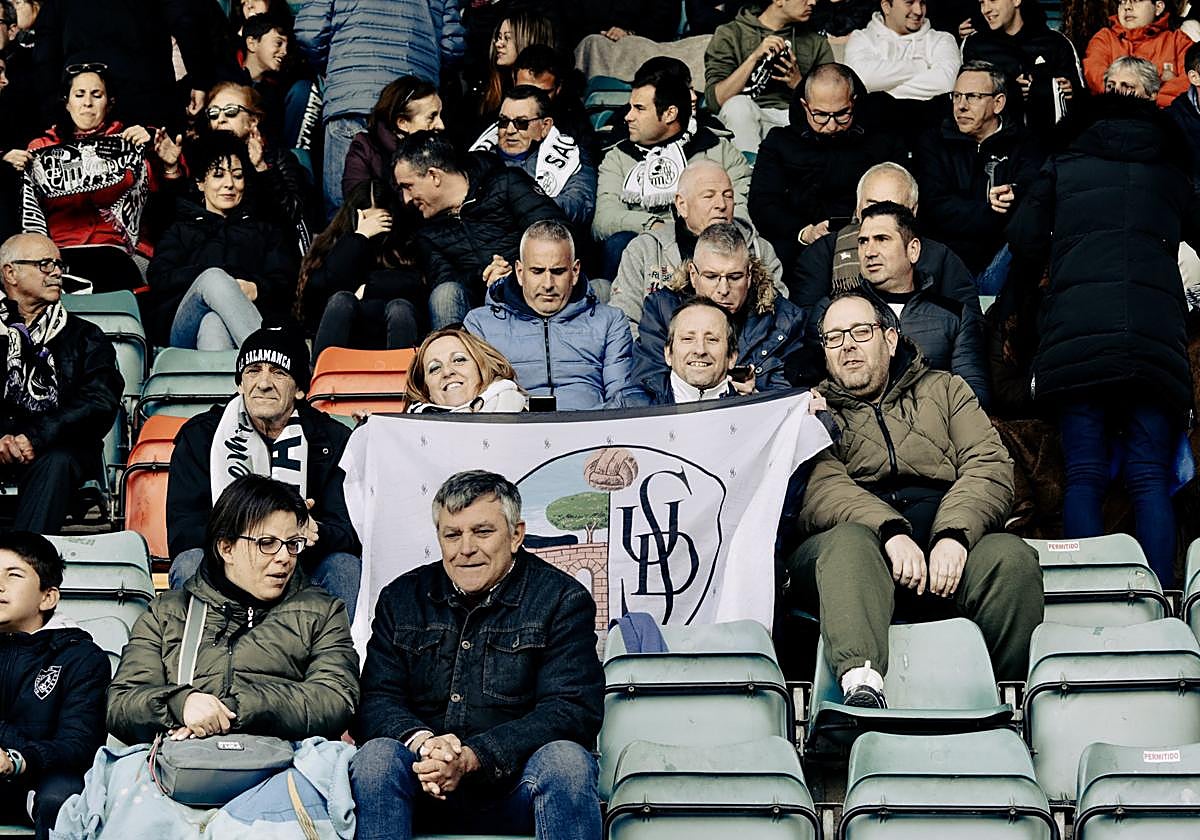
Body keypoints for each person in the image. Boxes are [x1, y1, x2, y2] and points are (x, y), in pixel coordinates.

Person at [785, 291, 1043, 706]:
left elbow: (989, 466)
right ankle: (861, 688)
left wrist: (954, 535)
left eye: (860, 332)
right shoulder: (810, 408)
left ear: (890, 339)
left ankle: (1005, 699)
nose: (847, 345)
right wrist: (889, 530)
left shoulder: (946, 390)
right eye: (833, 337)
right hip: (854, 552)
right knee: (849, 543)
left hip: (943, 541)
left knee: (1010, 559)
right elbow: (822, 489)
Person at [1007, 83, 1196, 588]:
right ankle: (1161, 597)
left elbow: (1023, 238)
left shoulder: (1065, 166)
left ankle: (1090, 592)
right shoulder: (1171, 173)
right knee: (1150, 475)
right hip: (1156, 337)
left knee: (1085, 473)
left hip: (1077, 333)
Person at [350, 470, 603, 840]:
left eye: (482, 532)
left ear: (516, 535)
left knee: (567, 762)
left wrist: (473, 756)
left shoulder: (562, 599)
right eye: (452, 535)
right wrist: (424, 744)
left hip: (515, 791)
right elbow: (375, 699)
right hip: (422, 785)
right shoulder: (402, 597)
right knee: (375, 760)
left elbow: (571, 709)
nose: (465, 548)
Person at [109, 474, 358, 744]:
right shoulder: (167, 613)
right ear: (226, 548)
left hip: (283, 770)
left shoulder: (322, 611)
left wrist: (237, 709)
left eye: (292, 544)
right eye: (267, 543)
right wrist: (181, 705)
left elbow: (336, 699)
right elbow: (121, 705)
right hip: (183, 771)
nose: (285, 557)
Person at [166, 325, 363, 617]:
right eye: (253, 370)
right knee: (189, 563)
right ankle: (200, 659)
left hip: (299, 561)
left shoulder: (332, 440)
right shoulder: (201, 436)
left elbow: (350, 530)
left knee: (344, 566)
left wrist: (313, 531)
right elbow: (183, 530)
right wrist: (250, 536)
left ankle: (331, 661)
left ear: (299, 389)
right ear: (239, 384)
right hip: (227, 560)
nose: (264, 383)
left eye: (279, 372)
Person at [7, 64, 184, 292]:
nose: (87, 103)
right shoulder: (40, 148)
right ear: (67, 103)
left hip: (119, 253)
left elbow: (166, 211)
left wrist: (167, 163)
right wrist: (7, 169)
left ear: (109, 103)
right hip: (58, 255)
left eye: (96, 95)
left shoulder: (132, 142)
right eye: (79, 95)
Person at [294, 0, 465, 214]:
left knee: (344, 213)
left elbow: (310, 31)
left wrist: (338, 66)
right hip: (413, 99)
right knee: (414, 204)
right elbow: (452, 44)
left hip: (351, 92)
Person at [0, 233, 121, 533]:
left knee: (56, 462)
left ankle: (24, 566)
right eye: (44, 264)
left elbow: (100, 401)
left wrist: (35, 437)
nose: (56, 272)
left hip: (60, 451)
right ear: (10, 272)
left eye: (57, 264)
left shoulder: (86, 336)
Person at [593, 62, 752, 278]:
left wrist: (703, 231)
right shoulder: (618, 157)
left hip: (713, 247)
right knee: (618, 244)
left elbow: (742, 211)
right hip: (648, 250)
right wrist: (655, 225)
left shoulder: (718, 149)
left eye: (639, 109)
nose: (628, 116)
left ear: (669, 114)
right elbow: (603, 220)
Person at [393, 130, 565, 329]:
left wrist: (514, 270)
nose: (406, 199)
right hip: (478, 314)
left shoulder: (506, 183)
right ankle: (451, 357)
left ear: (434, 176)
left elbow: (558, 233)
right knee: (445, 293)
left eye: (408, 186)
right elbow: (446, 281)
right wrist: (484, 275)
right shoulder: (426, 233)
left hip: (539, 288)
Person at [0, 531, 110, 840]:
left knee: (62, 798)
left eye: (14, 575)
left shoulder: (82, 658)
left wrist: (16, 760)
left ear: (47, 597)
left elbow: (79, 744)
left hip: (44, 780)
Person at [146, 132, 296, 349]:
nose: (229, 184)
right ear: (200, 183)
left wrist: (256, 288)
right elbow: (160, 278)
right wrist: (218, 282)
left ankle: (229, 379)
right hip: (184, 328)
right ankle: (266, 357)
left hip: (243, 325)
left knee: (214, 324)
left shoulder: (264, 230)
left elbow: (285, 280)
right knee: (214, 278)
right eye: (218, 175)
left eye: (237, 175)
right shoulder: (181, 228)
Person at [464, 220, 636, 410]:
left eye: (558, 271)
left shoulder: (610, 322)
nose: (548, 284)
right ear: (520, 272)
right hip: (513, 431)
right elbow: (477, 405)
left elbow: (621, 400)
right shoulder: (480, 325)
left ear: (575, 271)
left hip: (589, 429)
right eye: (537, 271)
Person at [634, 221, 820, 393]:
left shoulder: (784, 320)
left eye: (734, 277)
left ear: (749, 275)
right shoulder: (661, 309)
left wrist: (754, 397)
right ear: (693, 274)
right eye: (711, 277)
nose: (723, 289)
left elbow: (791, 398)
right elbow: (647, 383)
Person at [749, 63, 902, 271]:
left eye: (842, 114)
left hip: (872, 244)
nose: (831, 126)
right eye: (820, 115)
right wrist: (804, 232)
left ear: (853, 103)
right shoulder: (779, 142)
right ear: (805, 106)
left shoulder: (880, 140)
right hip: (799, 250)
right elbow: (763, 203)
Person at [835, 201, 990, 406]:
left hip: (936, 430)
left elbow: (974, 397)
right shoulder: (834, 312)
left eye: (882, 239)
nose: (869, 252)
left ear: (913, 249)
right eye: (863, 241)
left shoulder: (954, 316)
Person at [612, 159, 785, 336]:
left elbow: (781, 319)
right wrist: (665, 357)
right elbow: (623, 321)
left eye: (728, 195)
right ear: (682, 205)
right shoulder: (644, 249)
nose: (722, 205)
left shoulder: (758, 248)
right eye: (709, 196)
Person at [913, 61, 1043, 287]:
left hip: (1003, 258)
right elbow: (935, 207)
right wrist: (994, 212)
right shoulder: (933, 143)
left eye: (972, 96)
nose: (961, 106)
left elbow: (1030, 198)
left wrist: (1015, 195)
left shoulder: (1025, 144)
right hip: (947, 259)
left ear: (998, 103)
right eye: (956, 96)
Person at [790, 161, 979, 311]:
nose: (879, 216)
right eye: (871, 206)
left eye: (892, 208)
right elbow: (807, 328)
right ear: (857, 208)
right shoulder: (822, 253)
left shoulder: (941, 257)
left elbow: (969, 326)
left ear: (913, 211)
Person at [297, 181, 425, 360]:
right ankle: (323, 381)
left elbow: (415, 283)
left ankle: (403, 383)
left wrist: (367, 288)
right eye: (368, 220)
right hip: (345, 333)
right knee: (342, 300)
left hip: (390, 332)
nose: (375, 228)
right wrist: (359, 237)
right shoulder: (332, 244)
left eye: (380, 221)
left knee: (399, 308)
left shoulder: (407, 244)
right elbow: (325, 286)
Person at [703, 0, 834, 154]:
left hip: (794, 119)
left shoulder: (816, 42)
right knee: (737, 105)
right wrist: (754, 58)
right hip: (747, 119)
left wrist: (798, 83)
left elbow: (832, 100)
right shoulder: (730, 34)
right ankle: (750, 174)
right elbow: (715, 101)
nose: (813, 2)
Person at [205, 81, 315, 249]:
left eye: (231, 111)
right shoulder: (203, 162)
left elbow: (292, 216)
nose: (220, 119)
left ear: (253, 121)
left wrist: (261, 168)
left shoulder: (277, 157)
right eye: (213, 113)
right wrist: (172, 171)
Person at [471, 85, 596, 228]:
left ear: (545, 126)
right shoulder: (478, 157)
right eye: (504, 121)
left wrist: (515, 208)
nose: (510, 130)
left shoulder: (571, 157)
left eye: (521, 123)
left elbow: (580, 205)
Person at [961, 0, 1083, 136]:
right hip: (997, 143)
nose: (986, 9)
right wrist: (1011, 89)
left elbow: (1083, 101)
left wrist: (1070, 90)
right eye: (982, 2)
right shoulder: (975, 45)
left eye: (993, 0)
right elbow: (963, 100)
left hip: (1051, 144)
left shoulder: (1056, 42)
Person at [342, 75, 445, 208]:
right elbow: (357, 199)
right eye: (432, 117)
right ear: (402, 123)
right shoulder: (365, 147)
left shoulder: (438, 149)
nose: (441, 125)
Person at [629, 296, 749, 403]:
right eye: (688, 339)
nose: (700, 350)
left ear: (732, 357)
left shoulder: (753, 416)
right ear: (668, 354)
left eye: (712, 339)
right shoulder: (629, 406)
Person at [843, 0, 960, 102]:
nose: (918, 11)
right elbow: (860, 80)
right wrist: (919, 65)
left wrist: (877, 94)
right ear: (886, 7)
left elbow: (946, 84)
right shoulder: (861, 39)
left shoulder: (942, 40)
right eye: (909, 2)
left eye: (922, 3)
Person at [1083, 0, 1192, 108]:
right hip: (1112, 114)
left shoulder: (1179, 42)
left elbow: (1190, 81)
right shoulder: (1104, 39)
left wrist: (1152, 101)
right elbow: (1096, 78)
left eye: (1136, 1)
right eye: (1122, 2)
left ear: (1158, 7)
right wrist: (1159, 86)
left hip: (1164, 118)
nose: (1127, 7)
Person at [406, 327, 527, 413]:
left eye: (458, 360)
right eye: (435, 368)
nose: (447, 372)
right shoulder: (409, 433)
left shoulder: (523, 419)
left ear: (482, 370)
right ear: (426, 390)